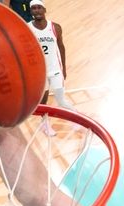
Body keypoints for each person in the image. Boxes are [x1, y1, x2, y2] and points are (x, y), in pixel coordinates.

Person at [27, 0, 74, 136]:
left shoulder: (55, 27)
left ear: (44, 9)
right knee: (43, 102)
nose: (36, 11)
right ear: (31, 11)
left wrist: (64, 68)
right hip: (40, 73)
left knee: (61, 100)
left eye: (39, 8)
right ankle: (45, 125)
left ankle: (76, 120)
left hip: (55, 70)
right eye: (34, 8)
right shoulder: (27, 28)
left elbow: (61, 47)